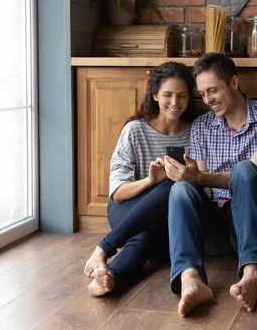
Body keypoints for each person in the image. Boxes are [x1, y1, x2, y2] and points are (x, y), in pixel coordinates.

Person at [163, 53, 257, 317]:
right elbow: (203, 185)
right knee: (181, 189)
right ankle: (190, 279)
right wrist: (189, 177)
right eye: (202, 94)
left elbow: (255, 173)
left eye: (213, 90)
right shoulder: (201, 126)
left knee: (244, 169)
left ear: (233, 82)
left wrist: (199, 176)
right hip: (218, 230)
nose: (207, 100)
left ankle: (254, 272)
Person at [83, 61, 198, 297]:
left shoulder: (197, 130)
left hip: (169, 222)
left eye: (182, 96)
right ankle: (105, 248)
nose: (175, 103)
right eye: (167, 95)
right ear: (155, 95)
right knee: (168, 184)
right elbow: (116, 192)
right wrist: (149, 181)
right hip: (128, 210)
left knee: (174, 189)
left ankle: (111, 276)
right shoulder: (135, 130)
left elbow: (200, 188)